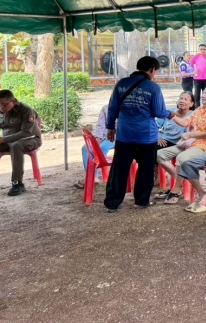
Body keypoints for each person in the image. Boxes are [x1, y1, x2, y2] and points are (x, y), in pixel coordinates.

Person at [104, 56, 174, 212]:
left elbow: (112, 108)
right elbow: (158, 112)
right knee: (145, 169)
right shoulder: (153, 87)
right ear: (152, 70)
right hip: (146, 136)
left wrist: (110, 127)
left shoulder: (121, 84)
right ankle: (141, 201)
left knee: (119, 170)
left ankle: (112, 203)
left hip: (124, 134)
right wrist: (171, 114)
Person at [162, 86, 206, 206]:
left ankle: (177, 189)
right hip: (192, 144)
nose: (203, 95)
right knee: (160, 154)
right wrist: (172, 116)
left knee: (182, 158)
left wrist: (190, 134)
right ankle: (182, 184)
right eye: (203, 93)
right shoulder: (199, 110)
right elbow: (185, 123)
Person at [152, 92, 195, 198]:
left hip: (179, 143)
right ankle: (157, 175)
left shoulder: (193, 115)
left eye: (186, 99)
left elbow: (189, 134)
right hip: (163, 139)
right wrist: (158, 137)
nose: (182, 101)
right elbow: (154, 125)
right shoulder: (169, 112)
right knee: (149, 148)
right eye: (181, 98)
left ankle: (178, 182)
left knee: (156, 152)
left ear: (191, 104)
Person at [0, 89, 42, 196]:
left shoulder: (26, 110)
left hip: (31, 139)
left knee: (16, 146)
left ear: (13, 101)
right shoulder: (1, 109)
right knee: (14, 144)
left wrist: (4, 139)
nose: (1, 108)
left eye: (4, 105)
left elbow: (25, 133)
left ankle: (17, 183)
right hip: (9, 140)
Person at [79, 104, 114, 189]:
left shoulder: (127, 108)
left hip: (118, 137)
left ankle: (90, 177)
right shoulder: (106, 108)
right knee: (85, 148)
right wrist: (98, 138)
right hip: (104, 136)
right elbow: (100, 125)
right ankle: (93, 177)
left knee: (102, 147)